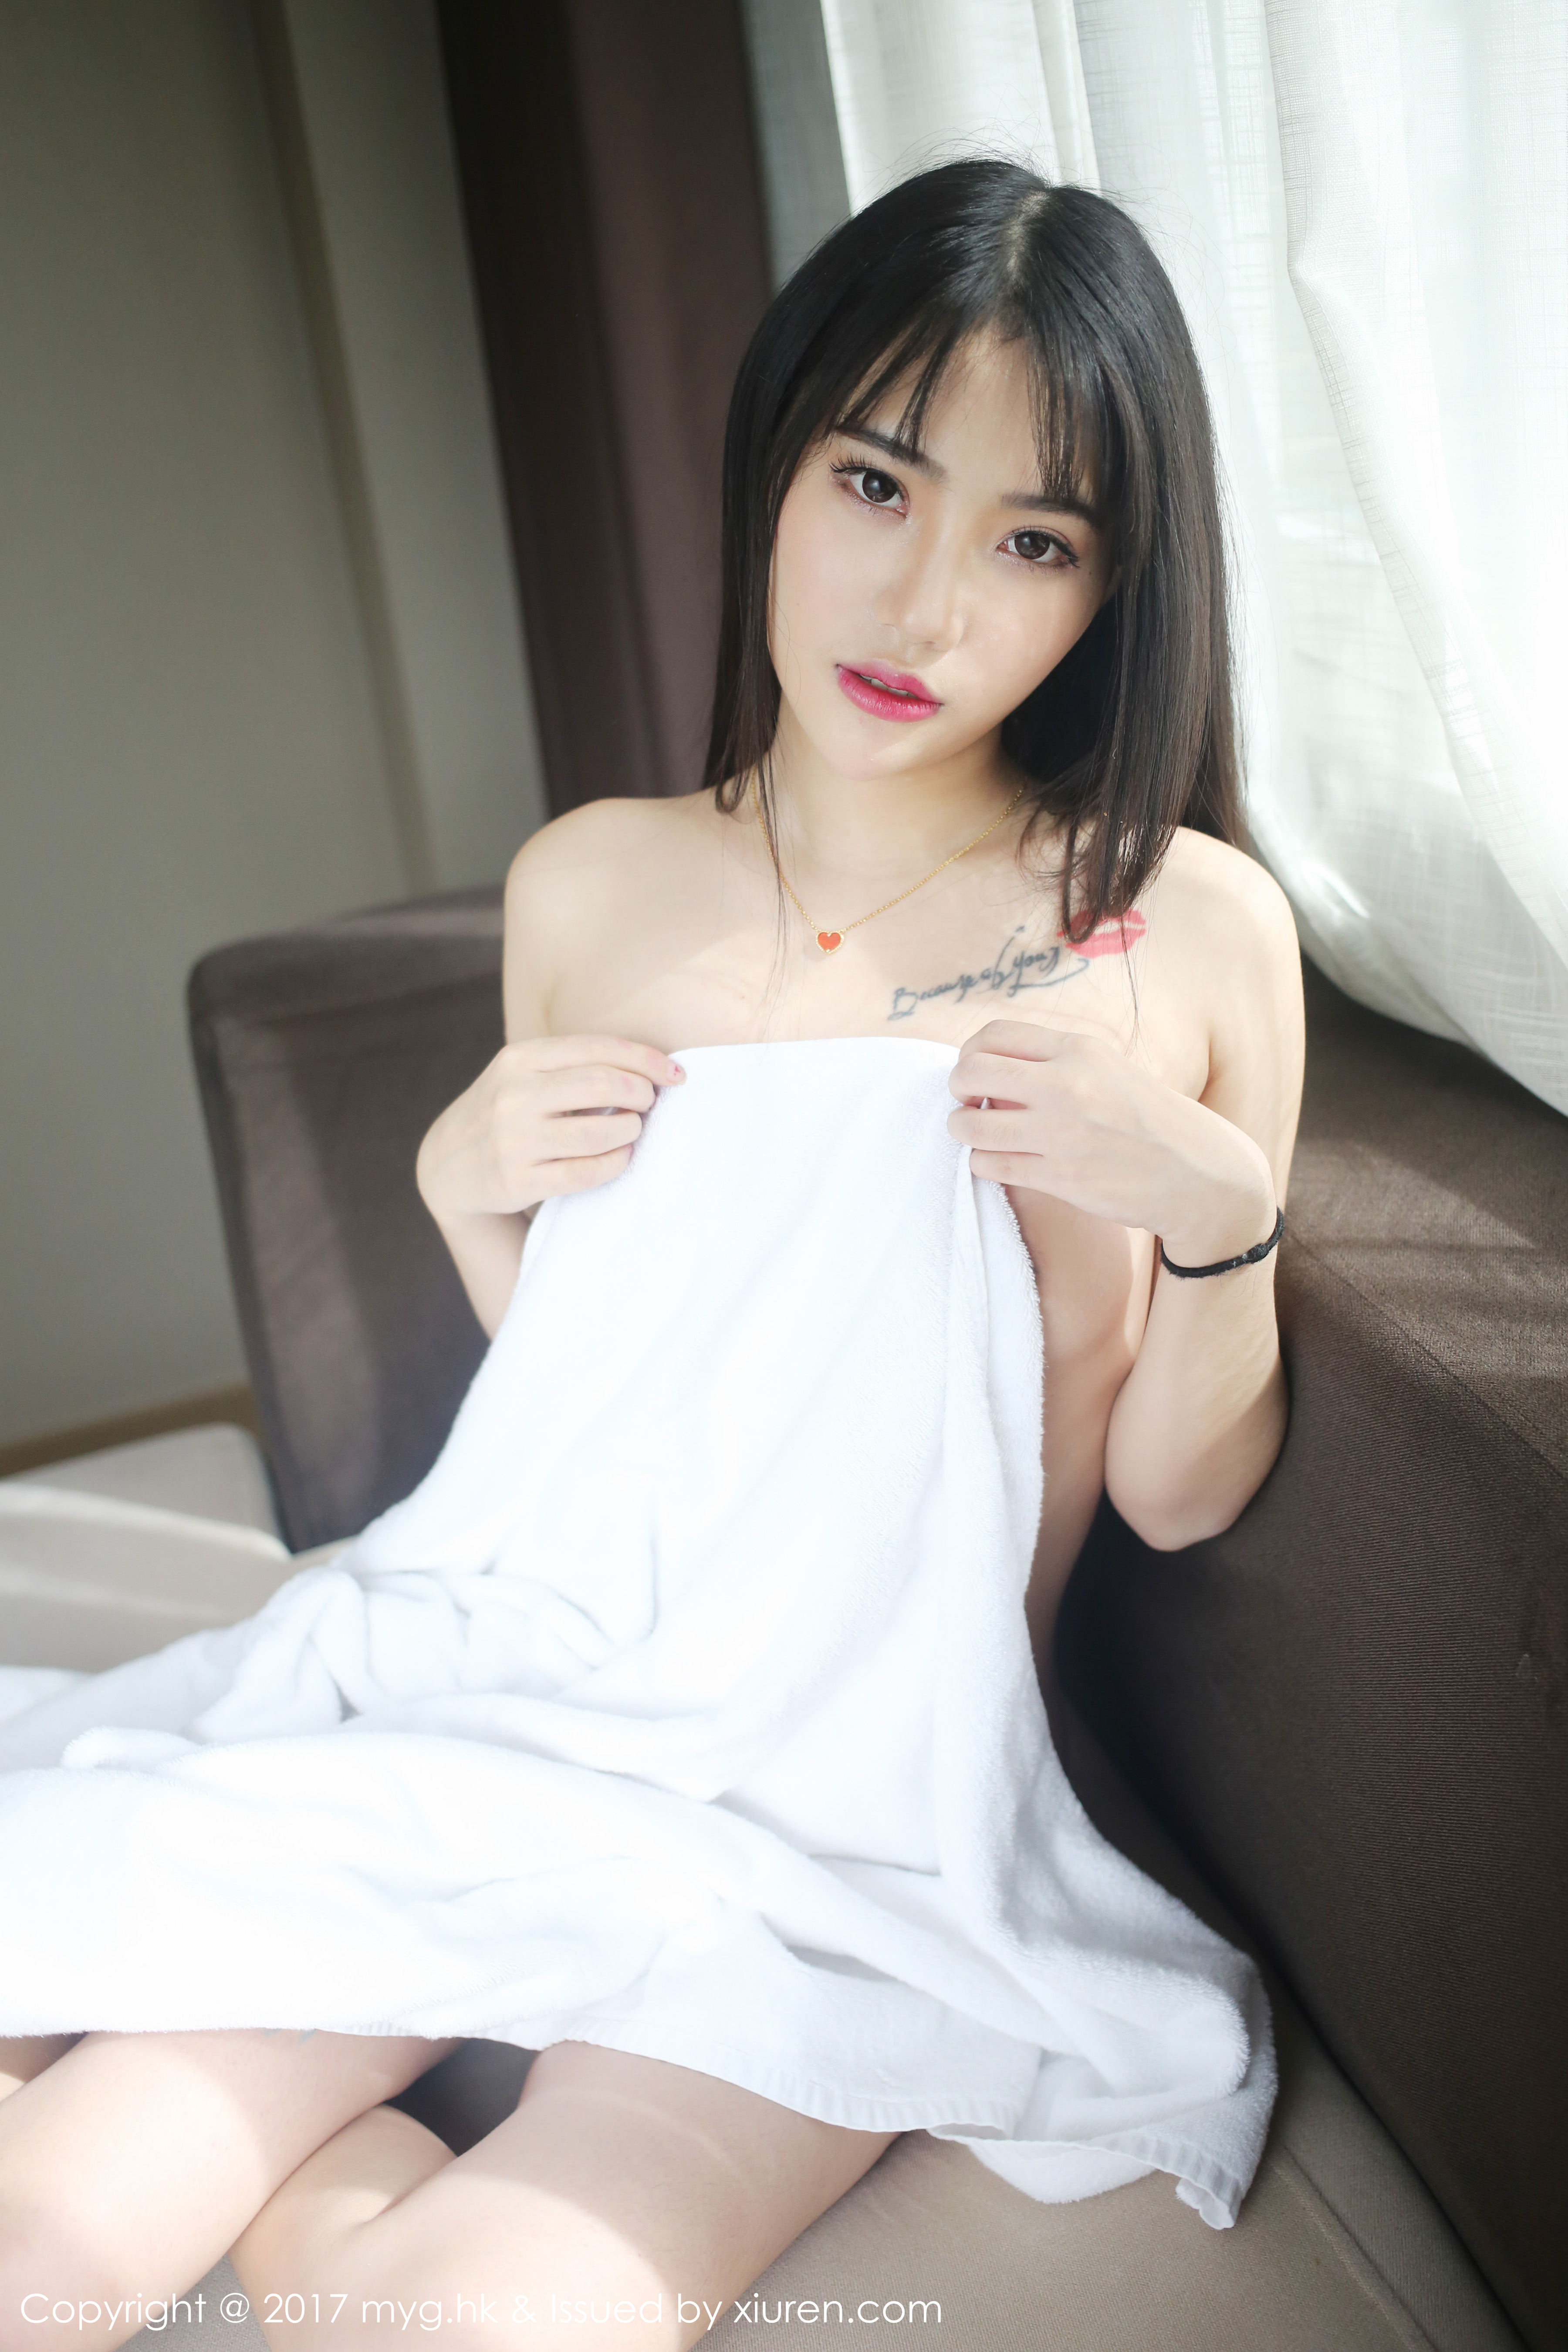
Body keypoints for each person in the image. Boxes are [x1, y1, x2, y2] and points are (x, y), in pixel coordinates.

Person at [0, 162, 1301, 2350]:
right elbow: (618, 1420)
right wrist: (467, 1197)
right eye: (875, 483)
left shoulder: (1180, 924)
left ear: (1113, 589)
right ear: (773, 463)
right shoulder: (590, 884)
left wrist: (1217, 1214)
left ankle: (321, 2185)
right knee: (36, 2258)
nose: (927, 604)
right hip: (500, 1702)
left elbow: (1175, 1493)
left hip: (846, 1823)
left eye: (1034, 542)